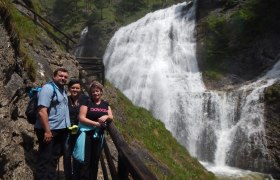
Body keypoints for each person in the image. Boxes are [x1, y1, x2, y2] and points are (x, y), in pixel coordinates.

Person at [34, 68, 71, 180]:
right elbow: (42, 111)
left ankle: (50, 177)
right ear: (54, 76)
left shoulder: (62, 90)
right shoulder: (48, 89)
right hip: (50, 130)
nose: (63, 78)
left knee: (54, 157)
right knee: (45, 158)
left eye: (65, 77)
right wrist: (47, 131)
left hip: (59, 130)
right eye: (61, 76)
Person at [78, 81, 113, 180]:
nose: (95, 93)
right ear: (91, 93)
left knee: (95, 159)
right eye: (93, 92)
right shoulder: (87, 102)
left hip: (99, 135)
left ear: (101, 92)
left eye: (97, 91)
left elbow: (111, 116)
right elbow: (81, 118)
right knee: (86, 160)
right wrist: (95, 124)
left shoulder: (105, 104)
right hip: (87, 134)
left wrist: (106, 116)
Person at [64, 79, 88, 180]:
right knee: (66, 154)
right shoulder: (65, 99)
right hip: (67, 131)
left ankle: (76, 176)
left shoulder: (85, 99)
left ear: (80, 89)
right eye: (73, 87)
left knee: (78, 154)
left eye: (77, 88)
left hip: (80, 131)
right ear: (69, 88)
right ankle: (68, 176)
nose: (75, 89)